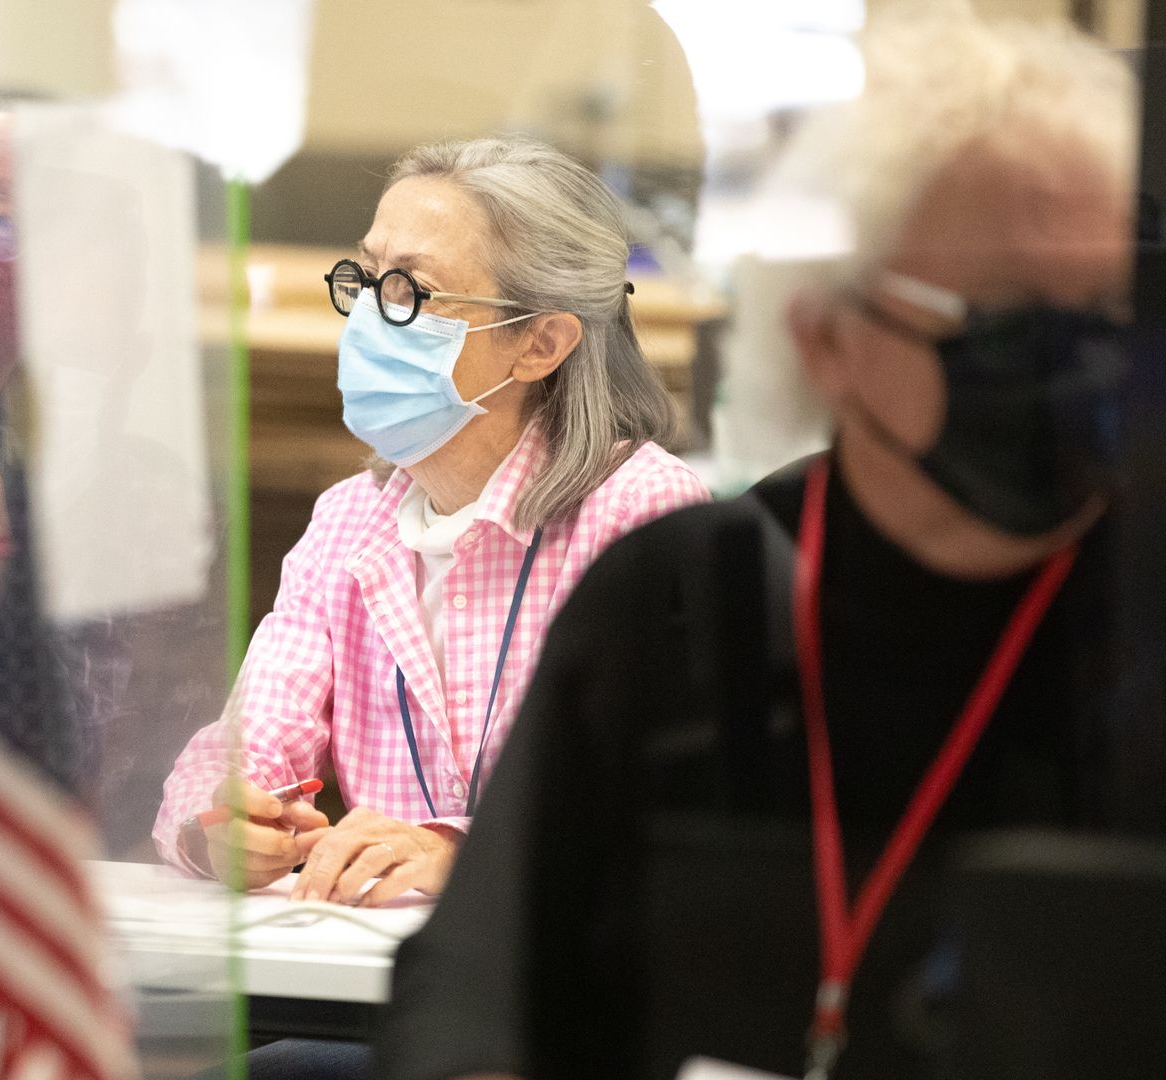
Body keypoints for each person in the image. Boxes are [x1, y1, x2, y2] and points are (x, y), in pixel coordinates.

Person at [380, 13, 1149, 1080]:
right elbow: (474, 989)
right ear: (827, 336)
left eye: (1116, 312)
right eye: (1008, 323)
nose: (1084, 371)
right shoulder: (679, 602)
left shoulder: (1141, 624)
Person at [153, 135, 708, 905]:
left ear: (540, 344)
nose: (369, 320)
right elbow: (243, 745)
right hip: (379, 988)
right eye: (368, 275)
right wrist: (218, 823)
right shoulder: (351, 521)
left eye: (409, 290)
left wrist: (461, 855)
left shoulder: (638, 514)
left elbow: (667, 807)